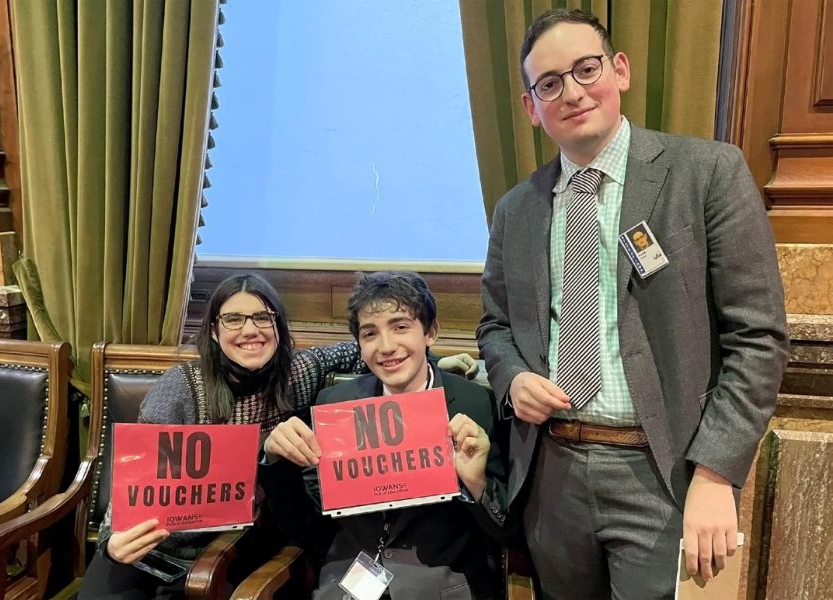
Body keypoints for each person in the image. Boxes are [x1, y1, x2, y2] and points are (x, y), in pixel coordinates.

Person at [476, 9, 789, 600]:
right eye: (549, 84)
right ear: (530, 108)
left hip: (666, 477)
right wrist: (513, 378)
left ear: (619, 70)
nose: (571, 92)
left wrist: (717, 472)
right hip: (553, 477)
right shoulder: (516, 210)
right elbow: (494, 326)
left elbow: (758, 338)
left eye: (585, 69)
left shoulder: (706, 174)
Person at [78, 273, 476, 599]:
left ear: (278, 327)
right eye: (233, 319)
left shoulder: (298, 375)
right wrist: (114, 542)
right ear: (215, 332)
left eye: (262, 317)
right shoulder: (181, 389)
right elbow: (134, 481)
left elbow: (373, 349)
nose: (249, 330)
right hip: (152, 547)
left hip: (238, 544)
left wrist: (439, 364)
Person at [281, 271, 507, 600]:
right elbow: (311, 515)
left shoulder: (475, 403)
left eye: (401, 327)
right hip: (349, 581)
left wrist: (476, 483)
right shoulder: (336, 405)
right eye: (370, 333)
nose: (387, 347)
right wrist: (277, 460)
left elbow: (507, 527)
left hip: (443, 582)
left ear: (430, 332)